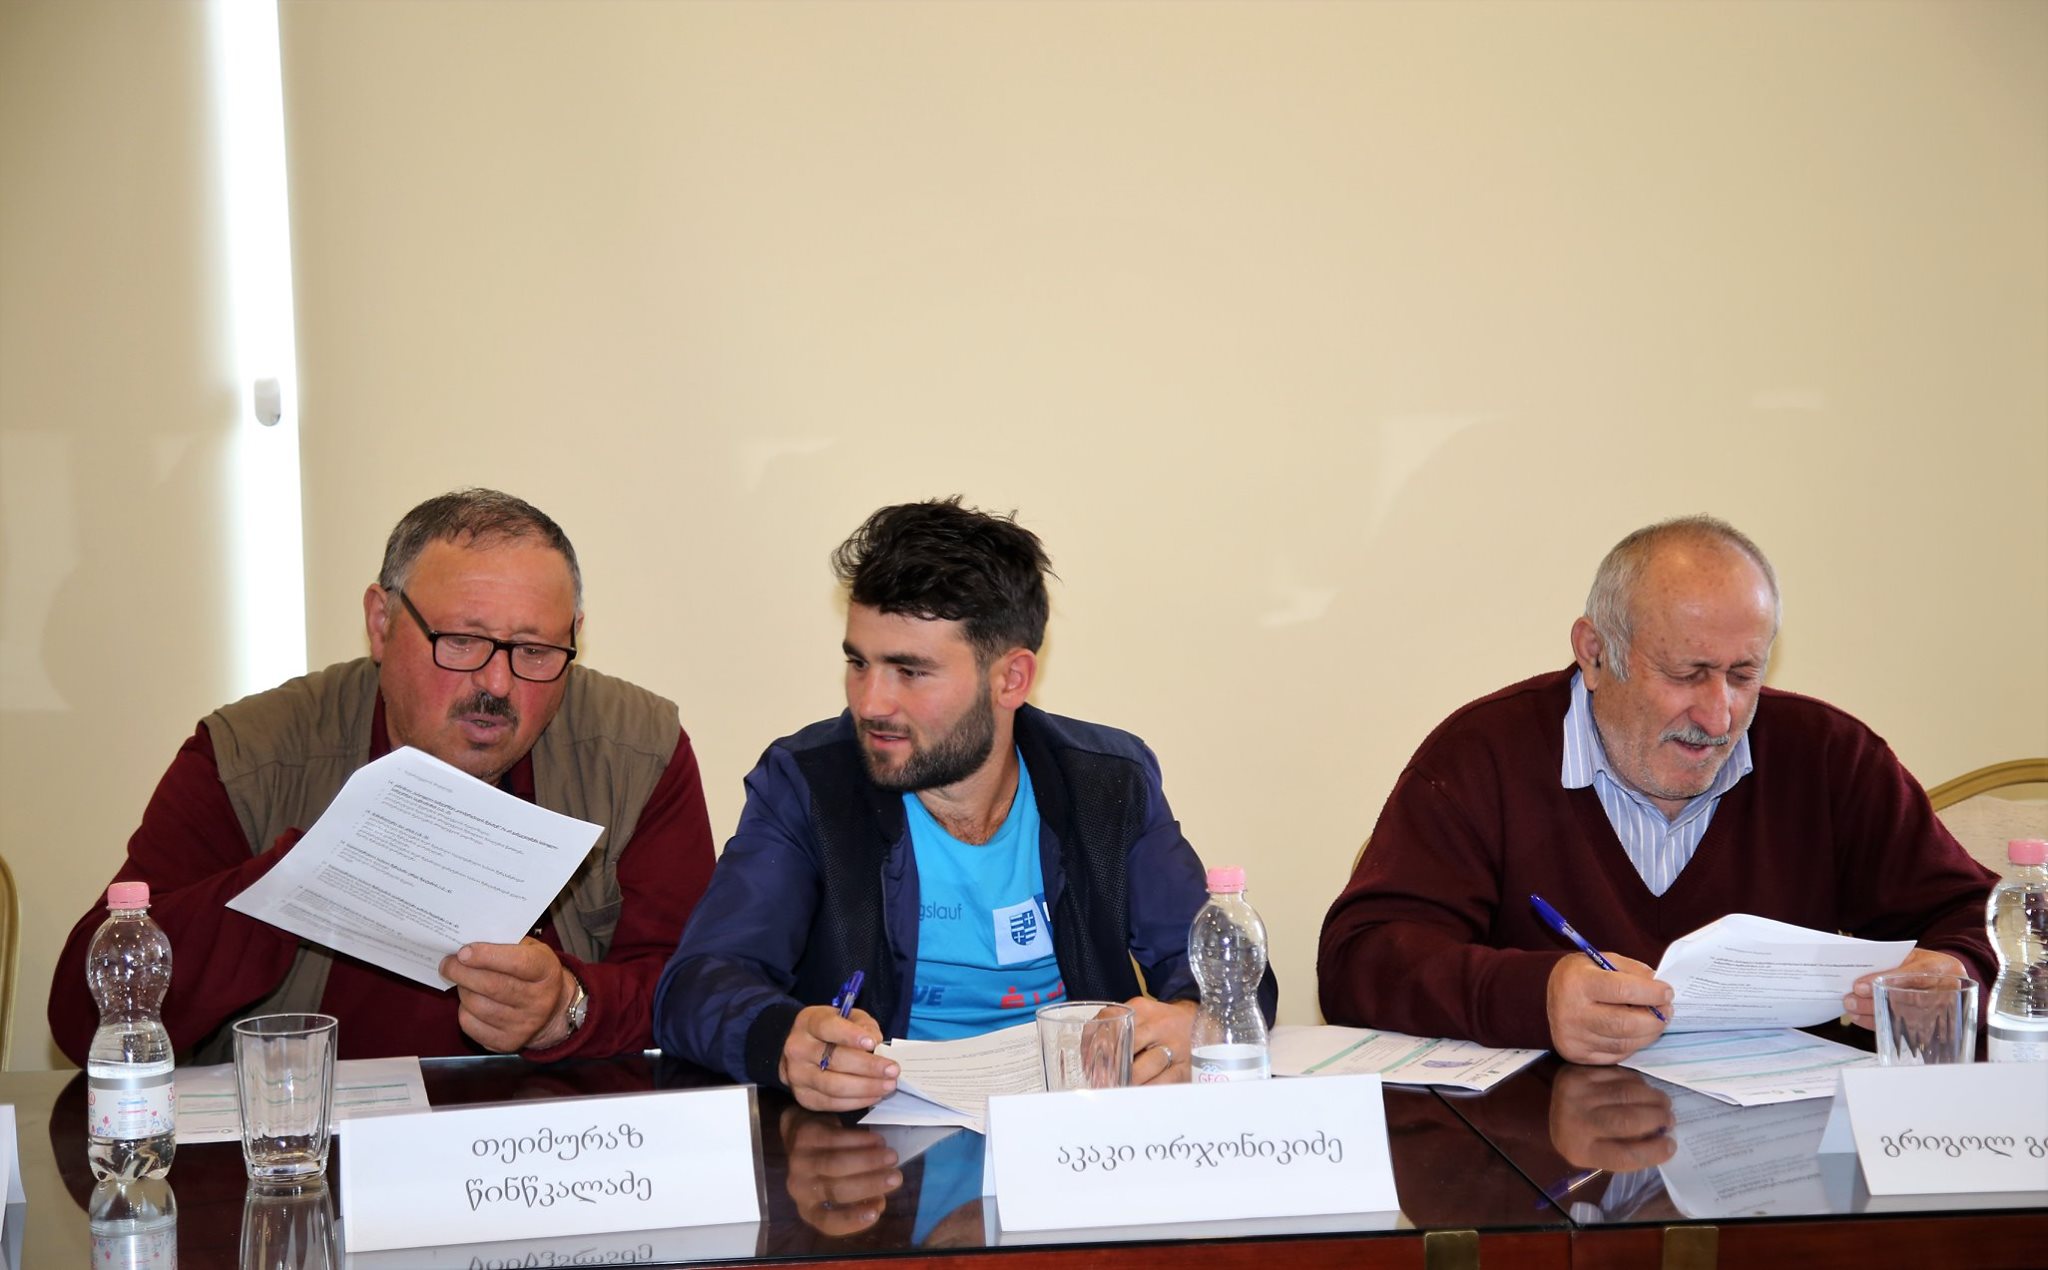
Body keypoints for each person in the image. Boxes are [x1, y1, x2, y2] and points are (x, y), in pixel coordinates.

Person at [50, 489, 717, 1063]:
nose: (496, 684)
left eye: (535, 650)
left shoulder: (636, 750)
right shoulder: (251, 754)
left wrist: (568, 1007)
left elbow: (696, 989)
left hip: (545, 1147)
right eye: (460, 641)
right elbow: (87, 1020)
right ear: (381, 622)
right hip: (310, 1145)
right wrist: (304, 875)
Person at [654, 497, 1275, 1110]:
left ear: (1011, 679)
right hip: (879, 1140)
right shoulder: (809, 785)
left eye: (910, 672)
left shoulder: (1108, 784)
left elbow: (1228, 971)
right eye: (858, 663)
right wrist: (781, 1042)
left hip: (1071, 1132)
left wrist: (1195, 1023)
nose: (870, 703)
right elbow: (696, 986)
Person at [1318, 515, 1996, 1064]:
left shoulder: (1827, 757)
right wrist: (1536, 997)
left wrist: (1955, 970)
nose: (1718, 715)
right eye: (1685, 673)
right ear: (1594, 653)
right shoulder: (1485, 755)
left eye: (1744, 675)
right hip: (1548, 1160)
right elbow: (1361, 957)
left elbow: (1988, 919)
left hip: (1780, 1150)